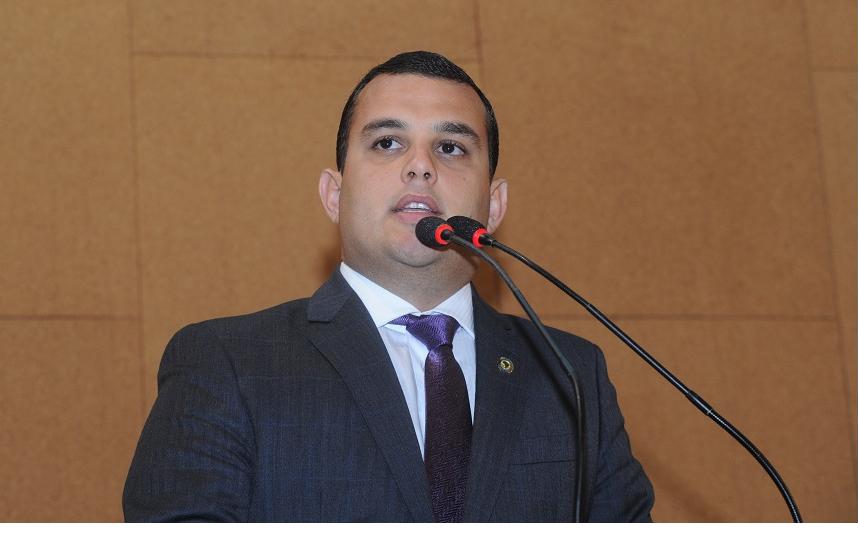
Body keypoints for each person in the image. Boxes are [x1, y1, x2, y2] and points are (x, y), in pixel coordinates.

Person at [122, 51, 654, 522]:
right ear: (334, 195)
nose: (420, 167)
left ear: (493, 206)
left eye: (450, 147)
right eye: (387, 142)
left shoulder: (569, 375)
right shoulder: (227, 362)